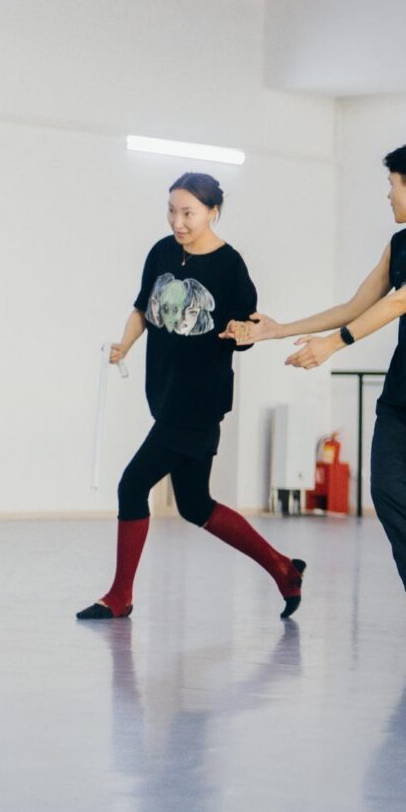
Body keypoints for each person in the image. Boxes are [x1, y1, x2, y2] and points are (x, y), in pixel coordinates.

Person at [225, 142, 406, 645]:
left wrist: (334, 345)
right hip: (401, 398)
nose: (388, 196)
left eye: (391, 185)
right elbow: (356, 305)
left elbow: (403, 300)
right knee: (387, 491)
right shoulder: (399, 244)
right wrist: (278, 330)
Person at [77, 173, 306, 622]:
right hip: (165, 392)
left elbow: (249, 328)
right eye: (172, 211)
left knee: (132, 485)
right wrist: (126, 344)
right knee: (194, 504)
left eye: (188, 213)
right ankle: (283, 569)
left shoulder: (230, 265)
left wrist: (241, 332)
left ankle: (120, 596)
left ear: (212, 212)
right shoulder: (162, 252)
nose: (177, 222)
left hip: (199, 399)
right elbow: (142, 308)